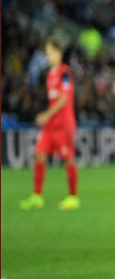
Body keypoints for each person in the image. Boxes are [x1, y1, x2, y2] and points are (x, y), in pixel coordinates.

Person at [20, 38, 80, 211]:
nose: (49, 56)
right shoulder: (49, 74)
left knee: (67, 159)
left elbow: (64, 99)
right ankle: (37, 197)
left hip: (64, 124)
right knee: (40, 154)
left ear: (59, 53)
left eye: (52, 52)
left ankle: (73, 197)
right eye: (47, 53)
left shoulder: (65, 73)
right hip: (51, 125)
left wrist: (46, 114)